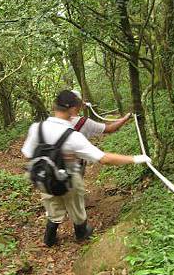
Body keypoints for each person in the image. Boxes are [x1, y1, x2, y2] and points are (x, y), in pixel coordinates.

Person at [22, 90, 150, 246]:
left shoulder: (37, 128)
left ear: (55, 106)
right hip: (69, 178)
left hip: (45, 178)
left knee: (53, 207)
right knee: (76, 207)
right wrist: (136, 158)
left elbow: (28, 154)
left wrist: (50, 161)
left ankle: (49, 239)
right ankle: (82, 233)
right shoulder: (72, 136)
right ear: (74, 109)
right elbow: (104, 159)